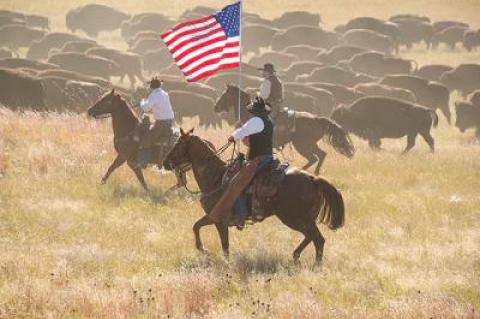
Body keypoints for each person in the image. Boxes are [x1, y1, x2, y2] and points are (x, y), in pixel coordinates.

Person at [210, 97, 274, 230]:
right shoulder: (268, 121)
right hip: (268, 157)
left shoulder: (256, 120)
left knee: (235, 184)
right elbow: (250, 137)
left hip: (257, 159)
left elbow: (242, 132)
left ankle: (241, 216)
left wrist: (233, 136)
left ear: (254, 111)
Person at [136, 77, 175, 168]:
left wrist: (142, 102)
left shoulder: (154, 95)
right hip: (169, 122)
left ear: (151, 86)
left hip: (161, 124)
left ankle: (143, 163)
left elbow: (145, 108)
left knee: (146, 139)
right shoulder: (164, 93)